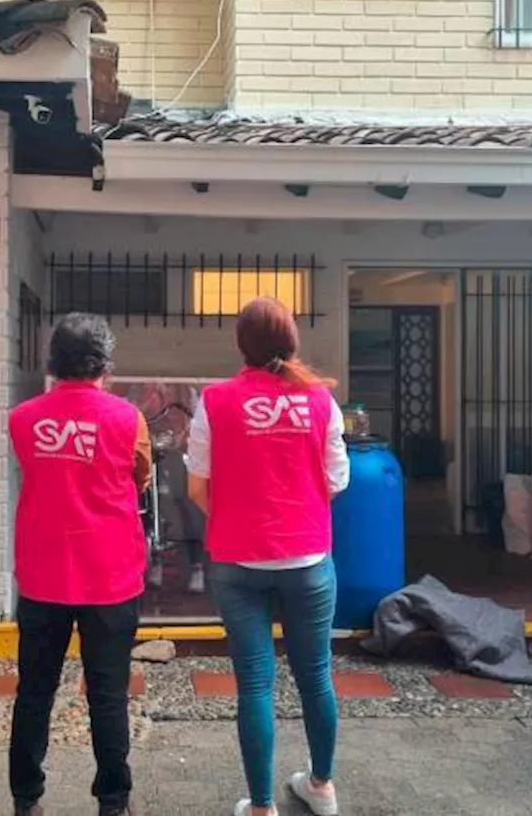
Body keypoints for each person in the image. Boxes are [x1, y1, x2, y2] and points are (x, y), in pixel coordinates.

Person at [187, 297, 350, 816]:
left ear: (241, 344)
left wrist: (238, 515)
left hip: (238, 562)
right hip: (307, 559)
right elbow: (337, 480)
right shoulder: (322, 402)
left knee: (255, 683)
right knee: (316, 674)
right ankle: (321, 787)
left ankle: (260, 807)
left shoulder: (214, 401)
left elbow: (197, 489)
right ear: (292, 341)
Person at [7, 312, 151, 816]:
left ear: (52, 362)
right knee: (108, 693)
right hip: (109, 573)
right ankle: (113, 800)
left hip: (43, 571)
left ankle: (27, 799)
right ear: (104, 364)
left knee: (35, 692)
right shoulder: (127, 418)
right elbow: (141, 476)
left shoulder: (22, 418)